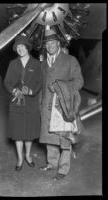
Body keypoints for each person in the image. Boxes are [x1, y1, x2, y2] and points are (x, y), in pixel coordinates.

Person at [39, 28, 84, 181]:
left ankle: (63, 169)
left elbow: (79, 82)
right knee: (49, 136)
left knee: (64, 138)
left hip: (63, 106)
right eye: (47, 44)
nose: (49, 46)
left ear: (58, 43)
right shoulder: (43, 63)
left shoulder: (70, 60)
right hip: (46, 106)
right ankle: (52, 163)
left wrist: (60, 87)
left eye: (52, 42)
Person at [4, 34, 42, 171]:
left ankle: (28, 156)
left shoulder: (36, 64)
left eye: (22, 46)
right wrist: (14, 91)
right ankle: (20, 159)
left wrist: (31, 91)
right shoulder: (13, 64)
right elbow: (7, 82)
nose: (20, 49)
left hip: (31, 103)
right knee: (18, 132)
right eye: (17, 47)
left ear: (27, 48)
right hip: (16, 103)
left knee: (29, 132)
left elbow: (39, 82)